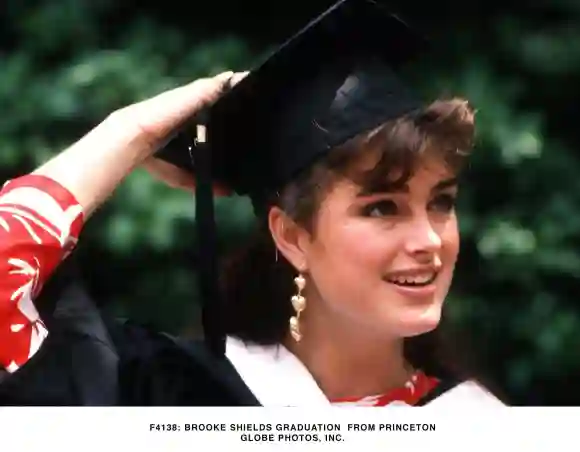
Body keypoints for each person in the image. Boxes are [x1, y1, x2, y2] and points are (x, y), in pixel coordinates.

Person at [0, 0, 505, 406]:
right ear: (292, 236)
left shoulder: (483, 431)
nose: (429, 240)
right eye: (382, 208)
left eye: (441, 202)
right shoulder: (161, 397)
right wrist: (131, 131)